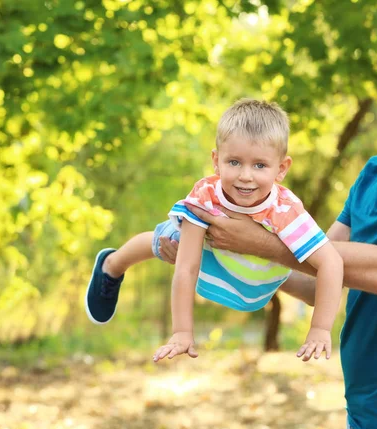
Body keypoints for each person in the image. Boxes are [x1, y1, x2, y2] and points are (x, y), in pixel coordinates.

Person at [159, 37, 377, 429]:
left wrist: (256, 242)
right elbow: (316, 281)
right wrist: (212, 254)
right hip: (363, 417)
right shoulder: (373, 173)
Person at [85, 98, 344, 363]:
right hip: (207, 248)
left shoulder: (285, 210)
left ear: (281, 169)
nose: (245, 175)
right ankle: (112, 264)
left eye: (259, 165)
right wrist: (182, 332)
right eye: (234, 162)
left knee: (300, 262)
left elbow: (331, 262)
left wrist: (320, 328)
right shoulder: (206, 197)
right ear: (216, 161)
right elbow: (186, 267)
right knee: (168, 238)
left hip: (250, 270)